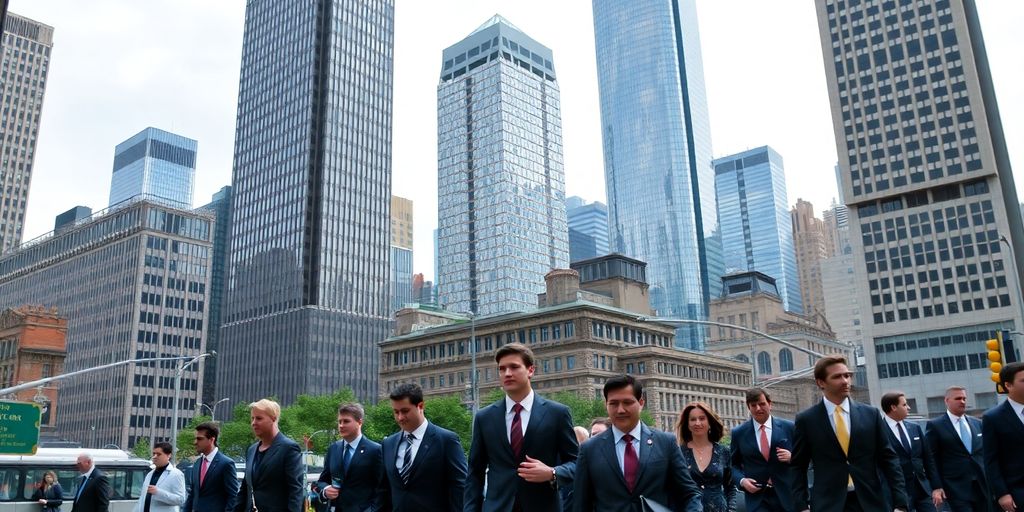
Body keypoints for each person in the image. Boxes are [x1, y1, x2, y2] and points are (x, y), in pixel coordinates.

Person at [465, 343, 578, 512]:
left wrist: (552, 473)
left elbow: (576, 462)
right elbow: (475, 472)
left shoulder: (557, 413)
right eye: (502, 369)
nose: (507, 373)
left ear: (531, 370)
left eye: (514, 367)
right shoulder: (485, 417)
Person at [791, 355, 907, 512]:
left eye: (847, 375)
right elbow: (798, 466)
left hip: (871, 502)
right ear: (821, 382)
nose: (845, 381)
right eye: (837, 377)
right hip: (828, 504)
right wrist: (802, 506)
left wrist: (900, 503)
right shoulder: (807, 420)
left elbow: (889, 459)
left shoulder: (870, 414)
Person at [573, 374, 701, 512]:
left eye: (627, 402)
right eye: (613, 403)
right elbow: (581, 503)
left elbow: (689, 494)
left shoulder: (665, 443)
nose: (620, 410)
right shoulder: (589, 449)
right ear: (606, 405)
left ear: (641, 403)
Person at [377, 383, 466, 511]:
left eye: (405, 411)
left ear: (420, 406)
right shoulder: (387, 444)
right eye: (396, 412)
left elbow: (460, 487)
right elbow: (383, 491)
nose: (400, 417)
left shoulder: (446, 440)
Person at [729, 388, 795, 512]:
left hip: (788, 496)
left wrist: (792, 457)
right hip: (757, 499)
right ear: (749, 407)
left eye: (762, 404)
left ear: (770, 404)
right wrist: (742, 481)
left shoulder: (789, 427)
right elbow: (732, 465)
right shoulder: (739, 433)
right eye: (753, 405)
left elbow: (807, 459)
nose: (758, 408)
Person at [234, 399, 304, 512]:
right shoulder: (252, 450)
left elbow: (295, 491)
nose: (253, 423)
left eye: (259, 418)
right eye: (252, 418)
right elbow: (245, 488)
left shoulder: (289, 448)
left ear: (273, 418)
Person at [925, 386, 988, 512]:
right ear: (947, 401)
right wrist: (937, 486)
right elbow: (931, 459)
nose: (962, 401)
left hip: (982, 485)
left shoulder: (977, 423)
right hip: (955, 487)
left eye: (964, 398)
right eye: (958, 398)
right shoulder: (935, 425)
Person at [879, 391, 942, 512]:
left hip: (922, 489)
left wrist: (936, 486)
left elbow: (928, 459)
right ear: (893, 407)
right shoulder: (879, 431)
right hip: (897, 493)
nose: (908, 407)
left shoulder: (914, 428)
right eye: (904, 404)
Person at [316, 402, 383, 512]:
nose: (341, 425)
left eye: (346, 421)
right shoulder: (333, 449)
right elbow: (323, 480)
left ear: (359, 422)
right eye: (339, 422)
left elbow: (382, 488)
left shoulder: (376, 450)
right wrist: (325, 490)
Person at [677, 401, 736, 512]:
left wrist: (731, 510)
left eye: (702, 418)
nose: (697, 423)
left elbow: (731, 487)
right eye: (693, 419)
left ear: (710, 422)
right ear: (687, 424)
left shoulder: (723, 451)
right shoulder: (678, 453)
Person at [983, 362, 1024, 512]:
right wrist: (1002, 493)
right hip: (1016, 492)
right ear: (1008, 385)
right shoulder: (993, 418)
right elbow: (991, 460)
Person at [184, 421, 240, 512]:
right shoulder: (197, 463)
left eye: (199, 439)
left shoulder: (226, 464)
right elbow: (192, 494)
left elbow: (233, 496)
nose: (195, 442)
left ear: (211, 440)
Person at [133, 442, 187, 512]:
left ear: (168, 455)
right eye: (154, 454)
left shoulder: (176, 474)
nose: (154, 457)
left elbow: (181, 500)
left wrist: (158, 493)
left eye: (158, 454)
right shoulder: (150, 474)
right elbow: (142, 499)